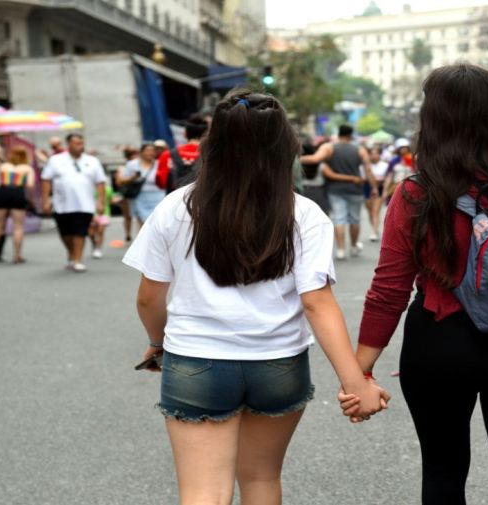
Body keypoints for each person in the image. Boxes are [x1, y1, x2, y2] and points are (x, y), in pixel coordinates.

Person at [122, 90, 389, 505]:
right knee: (262, 480)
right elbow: (317, 303)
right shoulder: (304, 214)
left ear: (214, 145)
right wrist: (356, 383)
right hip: (278, 364)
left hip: (196, 360)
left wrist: (158, 343)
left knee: (203, 492)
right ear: (285, 147)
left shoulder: (177, 207)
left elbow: (148, 297)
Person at [348, 64, 488, 505]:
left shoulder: (418, 192)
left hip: (441, 341)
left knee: (443, 476)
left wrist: (360, 370)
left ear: (431, 118)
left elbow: (389, 290)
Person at [300, 125, 379, 260]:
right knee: (354, 219)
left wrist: (294, 159)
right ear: (351, 135)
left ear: (338, 134)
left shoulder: (329, 147)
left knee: (339, 218)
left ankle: (341, 250)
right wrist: (374, 187)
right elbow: (368, 170)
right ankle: (353, 246)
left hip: (335, 189)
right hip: (355, 189)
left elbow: (314, 159)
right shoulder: (360, 150)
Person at [40, 133, 108, 273]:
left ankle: (77, 260)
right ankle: (72, 254)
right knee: (65, 234)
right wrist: (45, 200)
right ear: (68, 144)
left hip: (85, 204)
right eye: (76, 143)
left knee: (80, 232)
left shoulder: (92, 161)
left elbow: (100, 182)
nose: (80, 146)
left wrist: (101, 202)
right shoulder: (55, 160)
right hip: (62, 205)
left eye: (81, 143)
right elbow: (46, 179)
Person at [0, 145, 35, 264]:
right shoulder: (27, 168)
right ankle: (17, 255)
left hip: (2, 194)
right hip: (17, 194)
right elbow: (30, 185)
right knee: (18, 226)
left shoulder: (3, 166)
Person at [156, 115, 208, 193]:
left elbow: (161, 183)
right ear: (207, 134)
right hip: (204, 199)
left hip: (175, 199)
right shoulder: (211, 155)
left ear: (185, 134)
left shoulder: (167, 155)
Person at [120, 143, 162, 224]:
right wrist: (133, 177)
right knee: (143, 222)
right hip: (139, 196)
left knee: (158, 221)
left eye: (152, 151)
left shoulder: (159, 163)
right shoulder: (132, 164)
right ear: (141, 152)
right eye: (147, 150)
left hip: (158, 196)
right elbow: (122, 180)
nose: (150, 153)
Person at [115, 145, 140, 242]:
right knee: (127, 216)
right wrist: (131, 178)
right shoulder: (122, 168)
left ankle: (139, 235)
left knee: (139, 215)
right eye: (133, 156)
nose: (135, 158)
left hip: (138, 194)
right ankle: (128, 234)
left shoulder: (141, 166)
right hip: (127, 194)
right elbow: (118, 182)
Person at [364, 145, 387, 241]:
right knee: (370, 211)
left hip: (380, 188)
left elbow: (387, 177)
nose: (373, 156)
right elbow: (363, 177)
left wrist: (380, 180)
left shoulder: (385, 165)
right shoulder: (365, 165)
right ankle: (374, 228)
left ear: (380, 154)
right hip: (367, 187)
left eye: (376, 154)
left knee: (375, 211)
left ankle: (374, 231)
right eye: (371, 154)